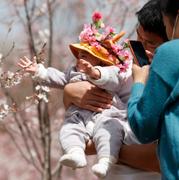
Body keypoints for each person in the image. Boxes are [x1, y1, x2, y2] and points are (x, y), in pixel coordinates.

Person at [18, 12, 139, 178]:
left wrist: (94, 73)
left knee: (110, 131)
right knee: (68, 129)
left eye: (86, 55)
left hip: (106, 115)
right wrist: (40, 71)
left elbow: (113, 78)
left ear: (100, 60)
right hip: (79, 117)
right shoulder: (72, 73)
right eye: (79, 55)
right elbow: (58, 78)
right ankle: (75, 153)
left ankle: (106, 160)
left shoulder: (108, 72)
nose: (80, 59)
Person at [63, 0, 167, 174]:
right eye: (138, 38)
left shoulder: (168, 81)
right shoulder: (124, 65)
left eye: (151, 44)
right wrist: (69, 93)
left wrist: (109, 144)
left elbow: (160, 159)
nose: (141, 48)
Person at [127, 0, 179, 179]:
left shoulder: (170, 52)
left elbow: (143, 127)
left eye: (151, 44)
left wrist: (139, 83)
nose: (142, 48)